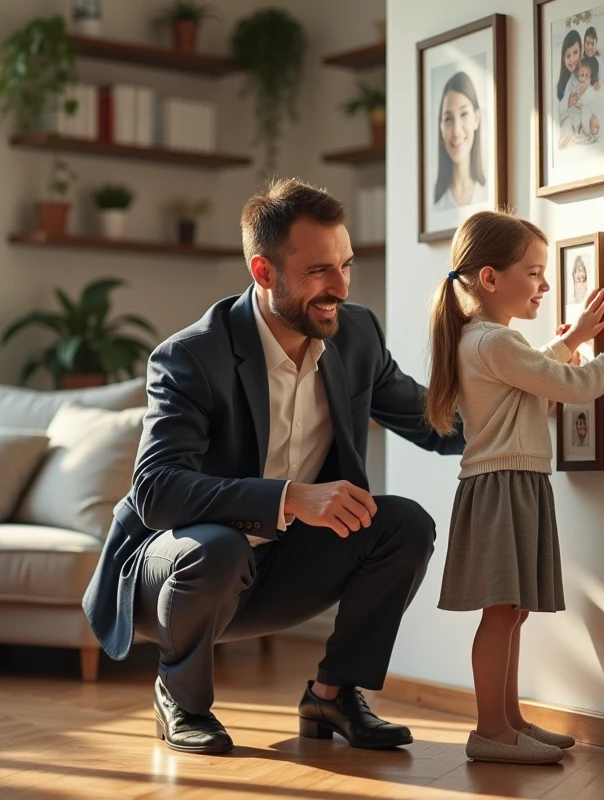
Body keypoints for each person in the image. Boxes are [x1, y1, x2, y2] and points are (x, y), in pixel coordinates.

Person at [82, 178, 465, 755]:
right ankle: (180, 699)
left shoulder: (355, 334)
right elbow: (156, 491)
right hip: (171, 575)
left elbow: (434, 422)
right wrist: (289, 498)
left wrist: (544, 396)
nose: (339, 286)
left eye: (346, 265)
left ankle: (333, 694)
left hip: (276, 573)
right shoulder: (192, 355)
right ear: (264, 273)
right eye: (318, 271)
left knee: (404, 524)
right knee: (218, 547)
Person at [424, 210, 604, 765]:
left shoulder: (489, 342)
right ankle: (491, 731)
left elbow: (531, 379)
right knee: (502, 611)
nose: (546, 285)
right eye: (533, 273)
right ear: (490, 278)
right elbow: (572, 386)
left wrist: (575, 337)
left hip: (514, 482)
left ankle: (508, 722)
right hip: (502, 485)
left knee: (513, 610)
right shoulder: (491, 343)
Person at [433, 71, 487, 210]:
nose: (456, 131)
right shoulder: (436, 205)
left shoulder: (487, 193)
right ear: (441, 126)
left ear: (476, 118)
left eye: (464, 114)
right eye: (448, 119)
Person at [559, 57, 601, 147]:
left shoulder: (590, 88)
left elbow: (591, 100)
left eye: (587, 75)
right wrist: (576, 95)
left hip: (584, 114)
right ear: (577, 74)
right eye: (582, 74)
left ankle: (590, 133)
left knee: (590, 119)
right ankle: (565, 137)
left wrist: (585, 92)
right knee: (569, 123)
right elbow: (567, 98)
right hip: (574, 113)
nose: (584, 77)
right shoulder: (573, 85)